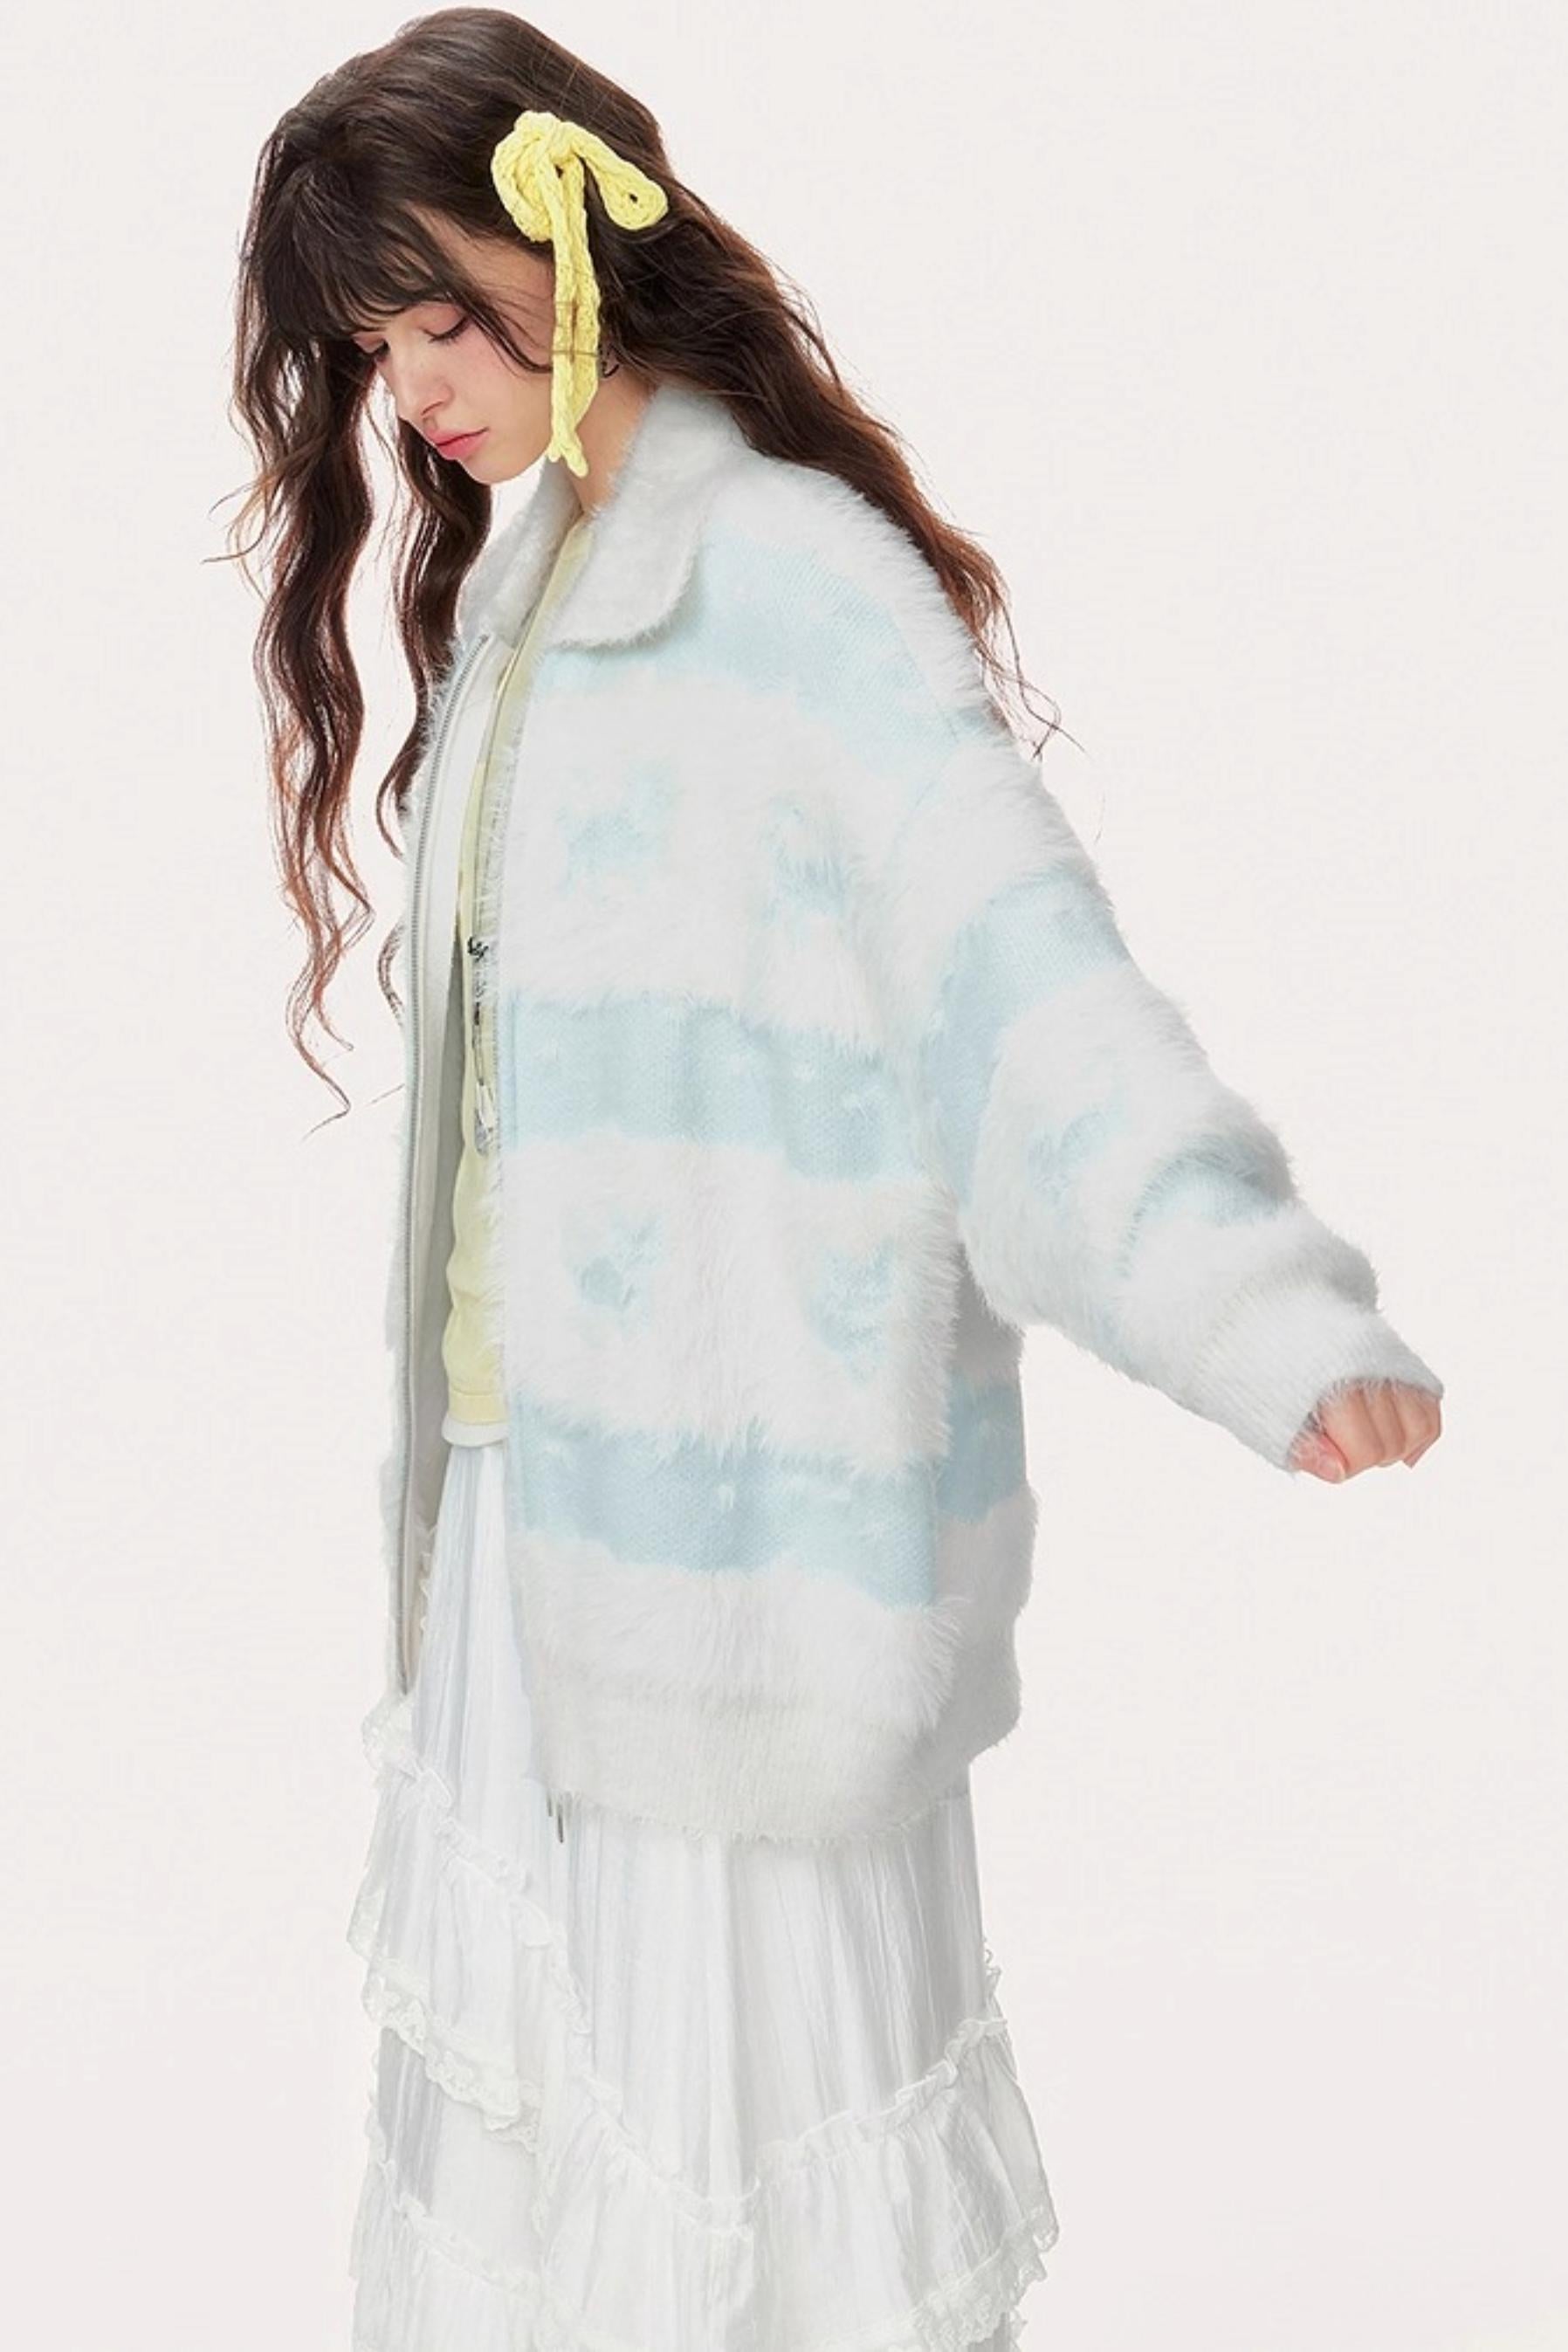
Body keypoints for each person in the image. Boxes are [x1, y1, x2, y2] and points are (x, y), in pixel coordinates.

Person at [226, 10, 1445, 2346]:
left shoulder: (784, 581)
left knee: (735, 2153)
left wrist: (1260, 1313)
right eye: (375, 350)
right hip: (515, 1508)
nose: (414, 392)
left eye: (440, 316)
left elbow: (1019, 984)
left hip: (734, 1531)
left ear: (574, 240)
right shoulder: (524, 593)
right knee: (548, 2167)